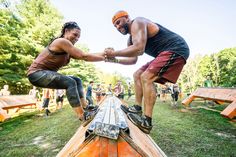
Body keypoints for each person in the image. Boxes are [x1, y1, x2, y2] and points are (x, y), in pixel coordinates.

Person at [105, 10, 190, 133]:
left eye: (118, 22)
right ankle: (137, 108)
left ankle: (147, 121)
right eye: (115, 26)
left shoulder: (138, 22)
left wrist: (113, 53)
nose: (118, 27)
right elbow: (133, 60)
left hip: (176, 48)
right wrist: (114, 60)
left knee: (146, 77)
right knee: (137, 74)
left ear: (127, 18)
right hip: (163, 53)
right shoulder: (130, 40)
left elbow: (139, 49)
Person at [27, 21, 105, 122]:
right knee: (70, 82)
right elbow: (84, 56)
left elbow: (87, 55)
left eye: (78, 37)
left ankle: (86, 107)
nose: (76, 39)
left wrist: (105, 54)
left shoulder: (68, 49)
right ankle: (82, 115)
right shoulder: (61, 41)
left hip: (44, 74)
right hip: (36, 74)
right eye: (75, 35)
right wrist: (105, 57)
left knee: (77, 80)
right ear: (66, 31)